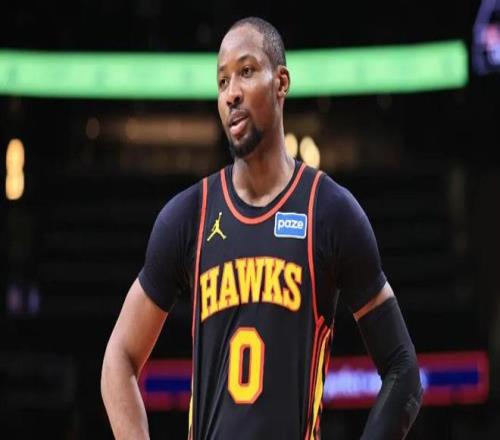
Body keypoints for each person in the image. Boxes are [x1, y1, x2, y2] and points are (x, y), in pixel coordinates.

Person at [101, 16, 423, 439]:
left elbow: (403, 370)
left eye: (247, 71)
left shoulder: (329, 211)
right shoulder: (189, 216)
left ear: (281, 82)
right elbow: (118, 359)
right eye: (222, 81)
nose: (231, 92)